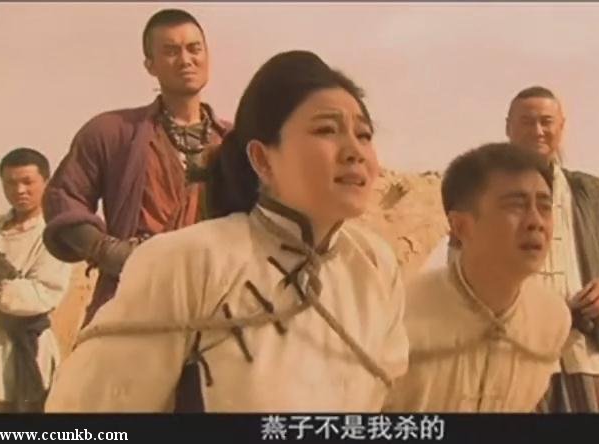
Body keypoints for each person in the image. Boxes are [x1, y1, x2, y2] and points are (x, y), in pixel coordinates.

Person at [44, 50, 409, 412]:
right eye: (326, 130)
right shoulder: (189, 261)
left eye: (364, 134)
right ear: (262, 160)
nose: (355, 151)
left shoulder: (375, 264)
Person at [42, 9, 231, 327]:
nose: (185, 60)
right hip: (132, 303)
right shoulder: (111, 132)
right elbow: (63, 199)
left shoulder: (235, 142)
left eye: (194, 49)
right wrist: (110, 252)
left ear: (208, 56)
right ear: (150, 65)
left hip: (218, 305)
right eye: (170, 51)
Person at [383, 143, 571, 412]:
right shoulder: (398, 316)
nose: (536, 222)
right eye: (516, 206)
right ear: (461, 227)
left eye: (544, 207)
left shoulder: (553, 320)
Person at [502, 86, 599, 413]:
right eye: (526, 121)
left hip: (586, 352)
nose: (537, 130)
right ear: (508, 127)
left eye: (546, 122)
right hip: (514, 351)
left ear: (561, 127)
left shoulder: (588, 190)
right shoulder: (485, 192)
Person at [0, 148, 71, 412]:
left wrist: (1, 287)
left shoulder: (53, 233)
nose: (20, 190)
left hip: (26, 348)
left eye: (28, 182)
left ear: (45, 182)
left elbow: (45, 293)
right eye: (10, 183)